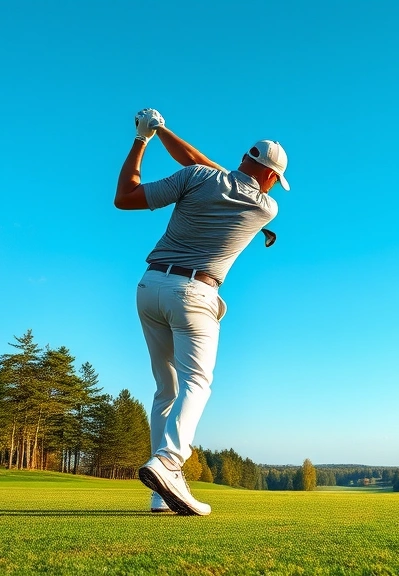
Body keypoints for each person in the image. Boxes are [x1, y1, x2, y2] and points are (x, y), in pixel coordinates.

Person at [114, 108, 289, 515]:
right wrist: (167, 135)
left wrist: (147, 137)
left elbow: (126, 198)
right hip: (195, 294)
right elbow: (203, 163)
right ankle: (169, 463)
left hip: (150, 286)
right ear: (269, 178)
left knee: (166, 390)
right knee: (198, 383)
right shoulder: (266, 209)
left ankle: (161, 494)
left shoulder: (198, 177)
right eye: (276, 182)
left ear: (245, 160)